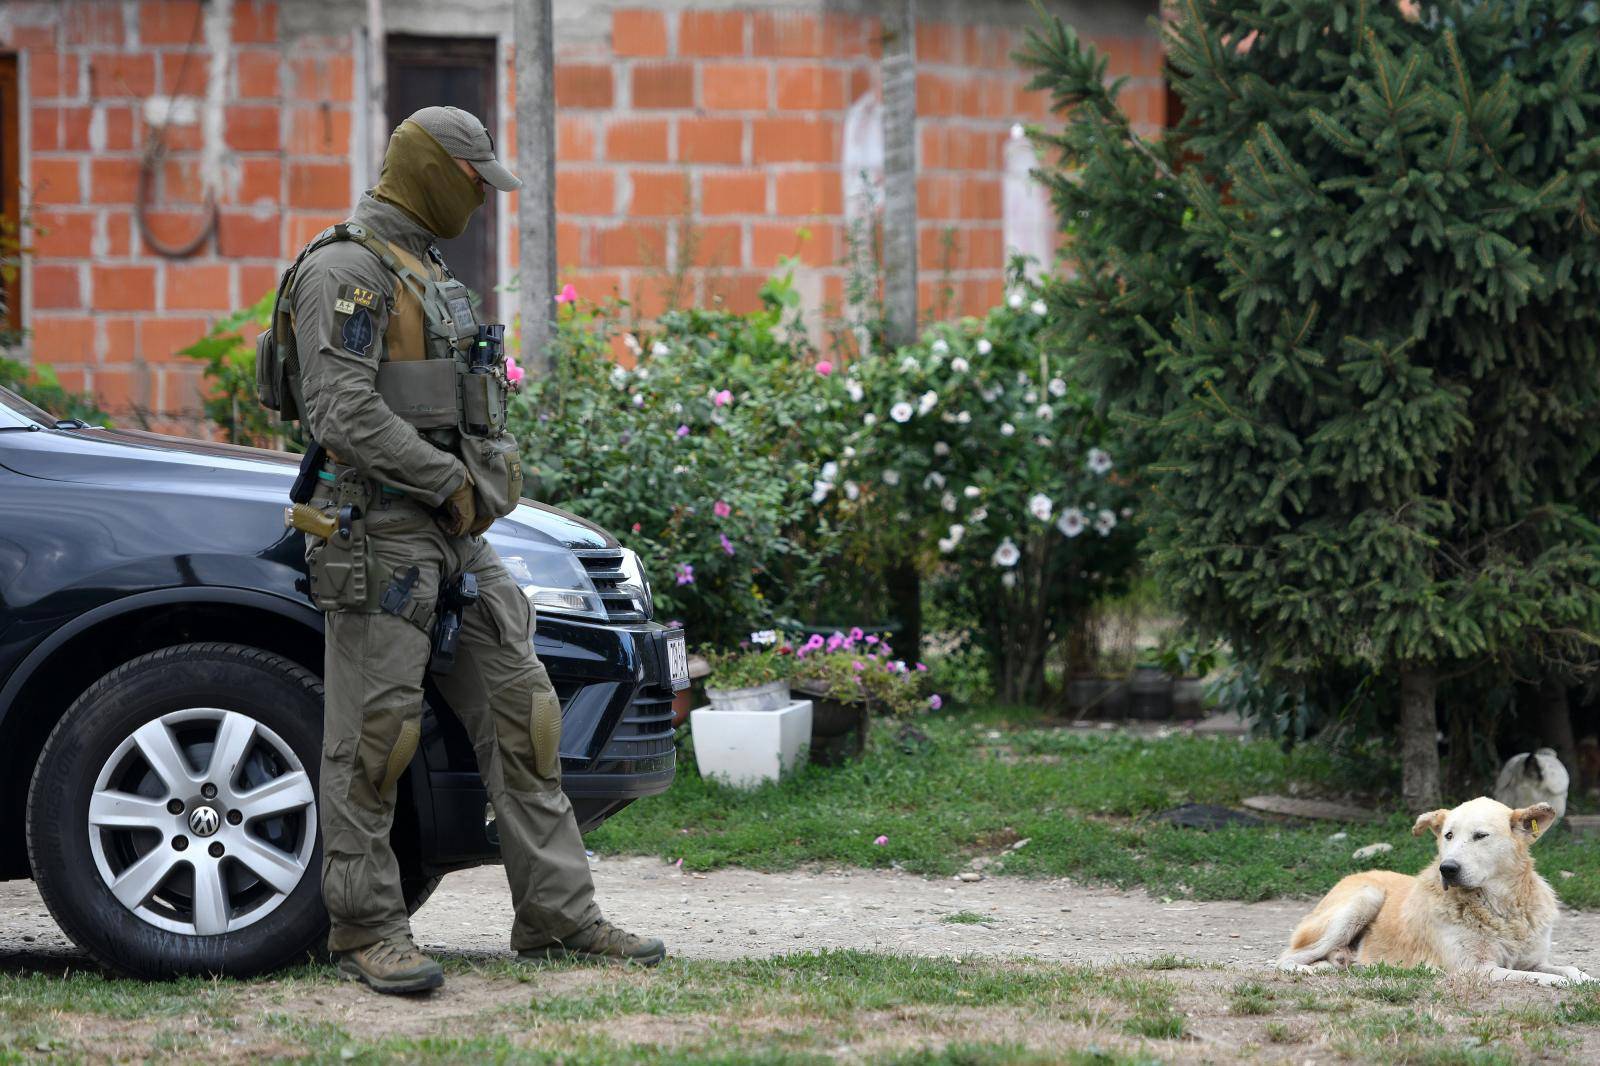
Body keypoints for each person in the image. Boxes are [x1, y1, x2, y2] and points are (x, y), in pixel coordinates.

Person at [277, 105, 663, 994]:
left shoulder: (424, 268)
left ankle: (558, 915)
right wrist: (448, 483)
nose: (482, 202)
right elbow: (340, 411)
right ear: (429, 171)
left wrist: (475, 489)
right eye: (472, 182)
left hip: (455, 538)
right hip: (378, 532)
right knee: (376, 738)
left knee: (526, 716)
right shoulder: (345, 270)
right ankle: (368, 927)